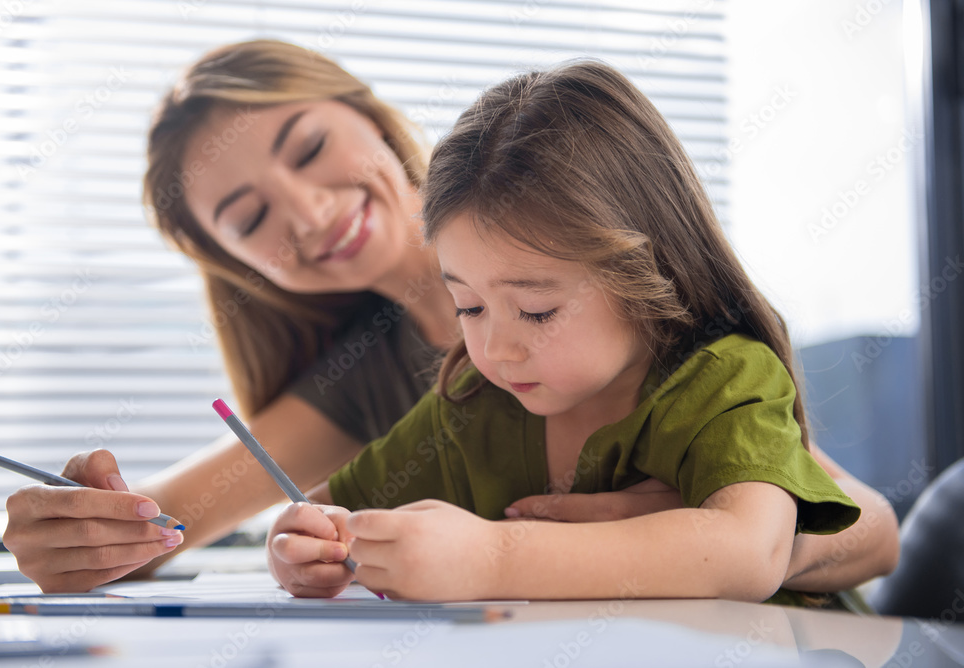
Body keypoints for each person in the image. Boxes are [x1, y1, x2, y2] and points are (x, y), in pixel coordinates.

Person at [2, 41, 897, 595]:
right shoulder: (397, 383)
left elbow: (860, 528)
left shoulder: (581, 250)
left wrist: (654, 539)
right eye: (249, 219)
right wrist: (81, 535)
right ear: (240, 268)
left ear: (367, 114)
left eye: (309, 149)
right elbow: (168, 522)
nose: (308, 213)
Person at [265, 59, 892, 605]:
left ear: (645, 273)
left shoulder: (721, 381)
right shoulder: (471, 406)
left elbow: (749, 553)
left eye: (537, 311)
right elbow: (325, 512)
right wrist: (303, 545)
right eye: (468, 307)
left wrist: (493, 557)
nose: (495, 350)